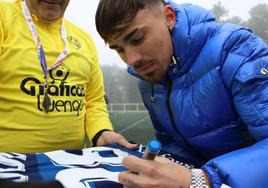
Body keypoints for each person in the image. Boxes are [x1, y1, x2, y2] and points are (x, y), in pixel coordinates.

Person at [95, 0, 268, 187]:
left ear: (169, 17)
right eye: (119, 49)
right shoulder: (148, 81)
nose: (131, 60)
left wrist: (204, 179)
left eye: (137, 39)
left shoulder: (237, 49)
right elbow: (175, 148)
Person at [0, 0, 137, 154]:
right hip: (10, 167)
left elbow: (93, 100)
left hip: (71, 167)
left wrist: (101, 131)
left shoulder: (84, 39)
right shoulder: (3, 17)